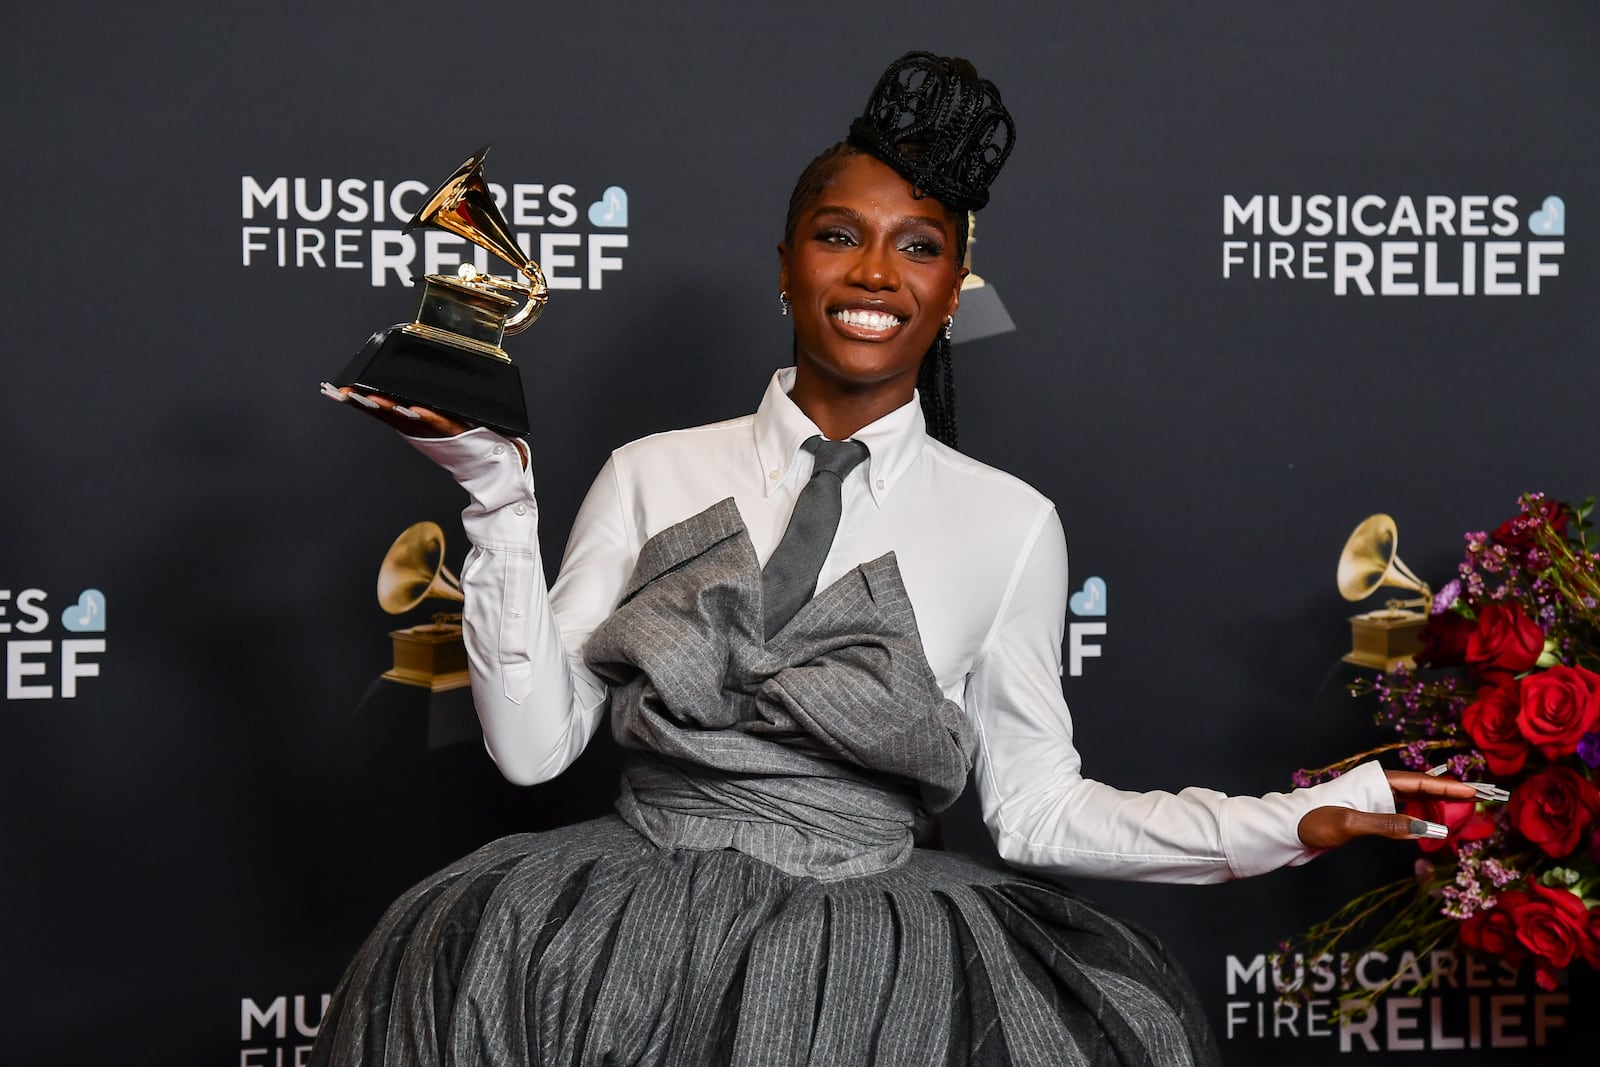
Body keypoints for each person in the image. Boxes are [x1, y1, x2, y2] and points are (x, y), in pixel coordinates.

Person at [314, 51, 1476, 1067]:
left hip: (878, 969)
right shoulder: (648, 470)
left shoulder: (1009, 520)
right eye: (839, 236)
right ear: (785, 265)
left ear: (952, 289)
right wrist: (496, 496)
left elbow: (1032, 814)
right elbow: (529, 750)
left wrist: (1296, 818)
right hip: (613, 931)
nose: (874, 273)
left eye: (916, 247)